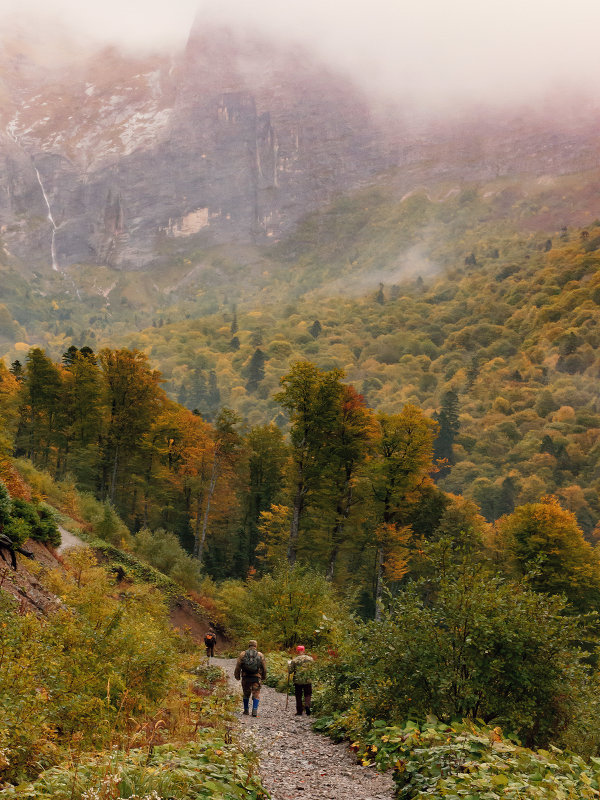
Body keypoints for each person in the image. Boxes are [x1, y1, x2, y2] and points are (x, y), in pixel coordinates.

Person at [234, 639, 267, 717]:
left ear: (249, 645)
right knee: (256, 693)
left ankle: (246, 710)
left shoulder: (243, 654)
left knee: (246, 694)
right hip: (256, 677)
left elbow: (238, 666)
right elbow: (264, 668)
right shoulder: (260, 655)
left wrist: (237, 676)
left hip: (245, 677)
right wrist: (263, 677)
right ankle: (254, 710)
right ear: (256, 646)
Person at [288, 644, 314, 716]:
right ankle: (307, 706)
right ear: (304, 650)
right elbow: (313, 669)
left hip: (298, 680)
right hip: (307, 679)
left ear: (297, 651)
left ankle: (299, 711)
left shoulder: (295, 660)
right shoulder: (310, 659)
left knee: (298, 695)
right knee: (308, 694)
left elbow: (290, 671)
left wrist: (289, 665)